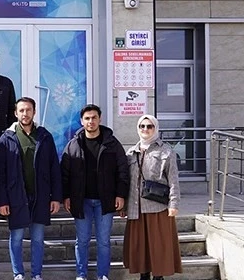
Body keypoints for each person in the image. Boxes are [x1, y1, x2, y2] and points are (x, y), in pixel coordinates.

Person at [0, 97, 63, 280]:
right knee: (16, 237)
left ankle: (36, 274)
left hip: (40, 196)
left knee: (38, 239)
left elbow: (54, 168)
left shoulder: (44, 136)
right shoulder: (6, 138)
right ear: (15, 113)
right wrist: (2, 200)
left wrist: (56, 197)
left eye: (28, 110)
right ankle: (18, 273)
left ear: (34, 112)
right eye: (21, 110)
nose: (25, 114)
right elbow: (0, 173)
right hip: (16, 196)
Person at [60, 104, 129, 280]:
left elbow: (123, 170)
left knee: (103, 241)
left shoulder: (112, 144)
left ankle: (102, 275)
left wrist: (121, 195)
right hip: (81, 201)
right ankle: (81, 274)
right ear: (82, 121)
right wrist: (66, 196)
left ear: (100, 119)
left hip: (105, 201)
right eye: (87, 118)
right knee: (82, 240)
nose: (91, 121)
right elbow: (65, 173)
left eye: (94, 118)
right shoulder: (73, 144)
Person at [123, 114, 182, 280]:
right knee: (140, 246)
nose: (145, 129)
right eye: (142, 126)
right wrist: (125, 205)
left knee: (159, 245)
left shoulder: (166, 151)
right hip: (136, 208)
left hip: (157, 206)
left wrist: (174, 204)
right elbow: (127, 181)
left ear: (155, 129)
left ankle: (158, 276)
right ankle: (144, 275)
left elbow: (173, 179)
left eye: (149, 126)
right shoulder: (131, 152)